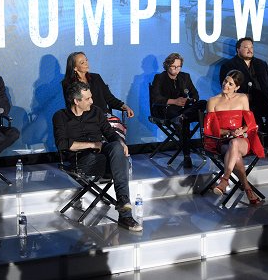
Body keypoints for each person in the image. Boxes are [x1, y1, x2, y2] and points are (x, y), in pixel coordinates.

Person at [53, 81, 142, 232]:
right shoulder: (60, 116)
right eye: (87, 99)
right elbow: (62, 144)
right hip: (81, 160)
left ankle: (123, 203)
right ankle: (125, 215)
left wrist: (121, 143)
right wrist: (93, 145)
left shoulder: (96, 112)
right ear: (76, 101)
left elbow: (110, 133)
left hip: (102, 155)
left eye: (91, 97)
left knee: (116, 147)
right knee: (120, 162)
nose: (92, 101)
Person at [204, 70, 265, 205]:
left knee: (236, 143)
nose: (226, 85)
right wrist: (228, 133)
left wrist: (241, 130)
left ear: (237, 87)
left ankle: (225, 179)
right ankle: (247, 188)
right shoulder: (213, 101)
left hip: (242, 140)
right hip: (223, 142)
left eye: (230, 84)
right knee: (235, 152)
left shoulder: (243, 98)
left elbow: (250, 124)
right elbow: (212, 131)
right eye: (225, 81)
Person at [219, 36, 268, 158]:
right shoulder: (229, 65)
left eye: (251, 47)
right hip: (244, 103)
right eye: (246, 47)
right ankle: (256, 146)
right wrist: (239, 96)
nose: (250, 50)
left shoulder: (261, 63)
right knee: (253, 117)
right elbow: (225, 86)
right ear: (238, 49)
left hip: (264, 99)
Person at [150, 53, 206, 168]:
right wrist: (174, 101)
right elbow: (155, 98)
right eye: (174, 67)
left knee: (204, 103)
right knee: (183, 119)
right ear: (167, 65)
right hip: (166, 109)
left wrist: (189, 100)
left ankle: (183, 117)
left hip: (183, 109)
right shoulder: (159, 78)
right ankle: (187, 156)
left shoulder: (185, 77)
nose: (176, 69)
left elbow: (195, 94)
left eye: (179, 66)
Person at [61, 51, 134, 117]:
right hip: (84, 121)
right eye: (82, 62)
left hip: (104, 118)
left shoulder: (96, 78)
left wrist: (124, 106)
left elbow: (109, 98)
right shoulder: (68, 84)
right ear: (75, 68)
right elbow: (72, 107)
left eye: (86, 60)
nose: (86, 63)